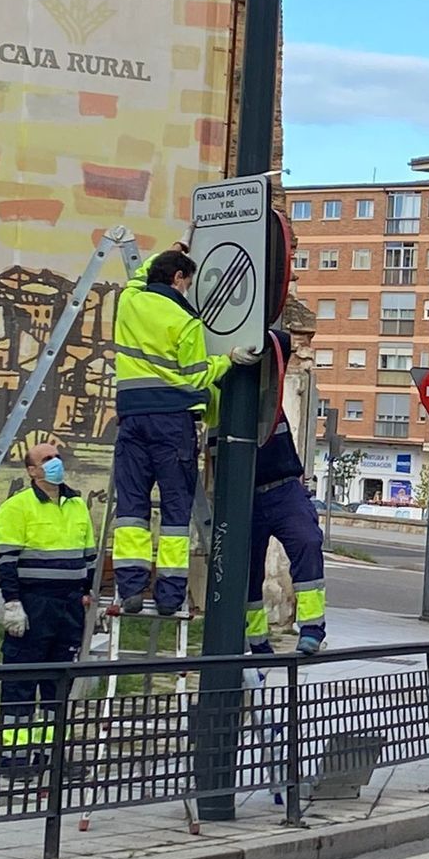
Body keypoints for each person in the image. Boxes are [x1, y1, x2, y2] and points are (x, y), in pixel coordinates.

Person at [111, 243, 261, 615]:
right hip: (171, 423)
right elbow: (196, 378)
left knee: (131, 508)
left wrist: (168, 250)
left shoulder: (128, 303)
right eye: (188, 282)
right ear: (178, 278)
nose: (188, 290)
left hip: (131, 419)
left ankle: (130, 589)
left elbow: (139, 277)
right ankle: (168, 596)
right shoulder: (185, 320)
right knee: (176, 512)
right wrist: (228, 360)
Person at [0, 439, 96, 771]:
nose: (55, 462)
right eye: (46, 458)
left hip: (70, 606)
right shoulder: (17, 507)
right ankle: (15, 757)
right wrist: (12, 603)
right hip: (34, 603)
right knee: (21, 680)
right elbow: (6, 562)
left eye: (57, 456)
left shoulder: (77, 504)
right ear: (32, 470)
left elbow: (89, 557)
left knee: (58, 684)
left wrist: (88, 592)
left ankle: (51, 756)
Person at [239, 332, 327, 657]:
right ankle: (257, 643)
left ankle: (312, 629)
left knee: (308, 542)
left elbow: (282, 341)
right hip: (245, 496)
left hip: (285, 487)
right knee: (248, 571)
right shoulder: (220, 394)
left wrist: (250, 330)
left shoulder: (269, 390)